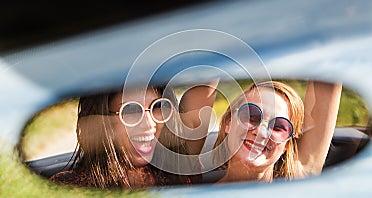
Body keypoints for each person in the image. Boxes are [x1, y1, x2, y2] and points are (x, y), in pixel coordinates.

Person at [51, 82, 217, 189]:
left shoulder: (178, 166)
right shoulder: (72, 188)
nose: (149, 124)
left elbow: (208, 72)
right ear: (102, 121)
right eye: (130, 110)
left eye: (157, 107)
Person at [212, 80, 342, 183]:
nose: (261, 133)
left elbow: (330, 80)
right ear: (228, 123)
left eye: (278, 126)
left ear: (286, 144)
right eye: (252, 116)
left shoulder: (299, 180)